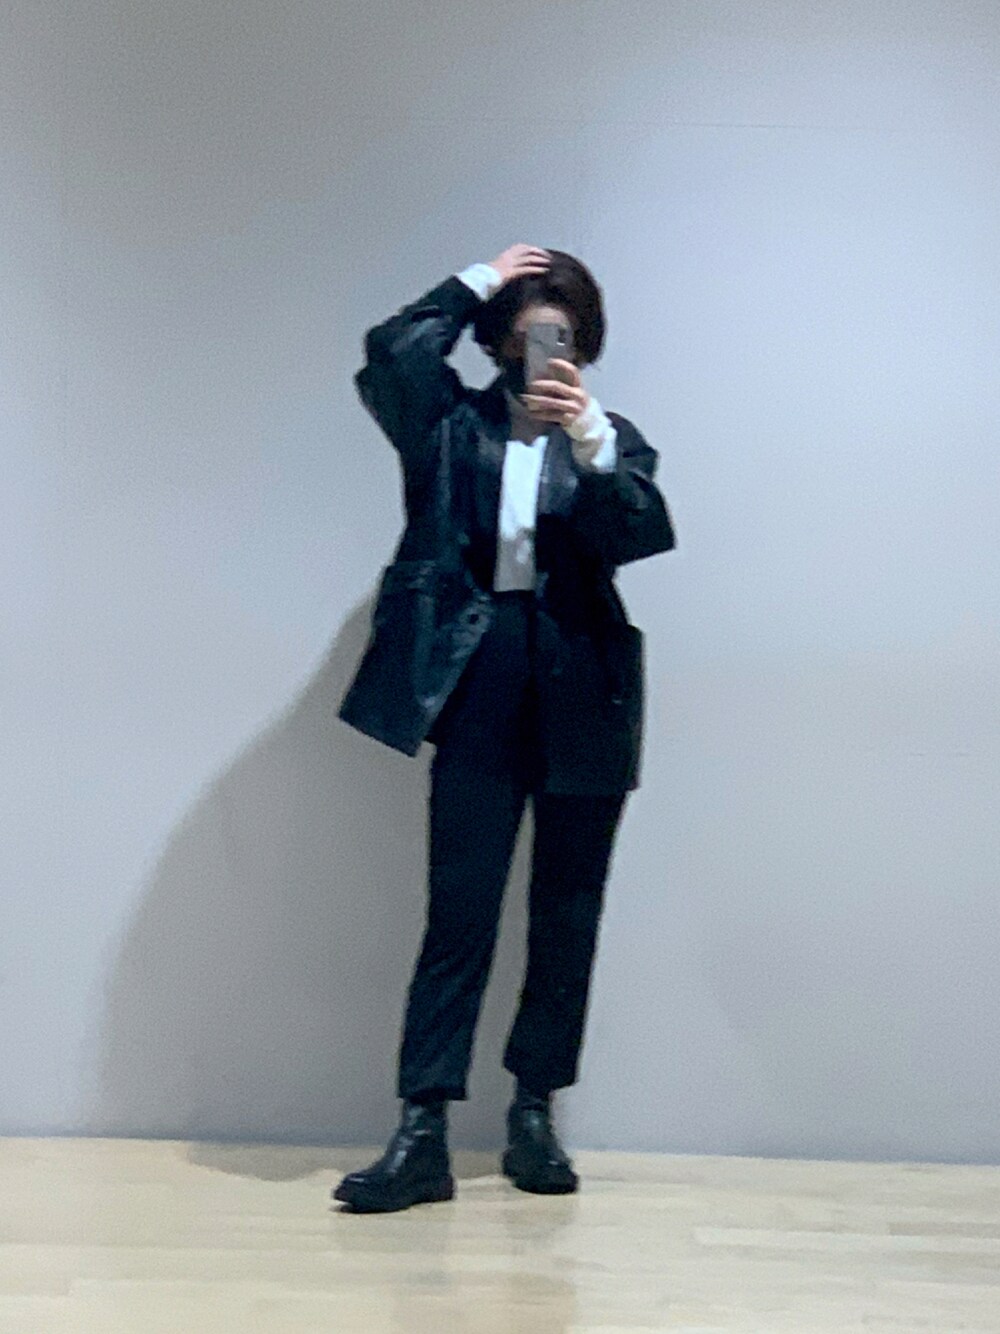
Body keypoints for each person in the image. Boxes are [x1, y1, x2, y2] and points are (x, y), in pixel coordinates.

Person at [332, 243, 677, 1212]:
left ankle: (534, 1113)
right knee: (460, 910)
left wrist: (593, 446)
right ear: (496, 342)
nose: (545, 355)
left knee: (566, 910)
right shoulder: (447, 426)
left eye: (561, 337)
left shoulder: (612, 439)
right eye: (527, 337)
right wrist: (476, 280)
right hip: (476, 674)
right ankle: (422, 1129)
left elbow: (640, 533)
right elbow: (391, 353)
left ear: (584, 344)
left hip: (585, 686)